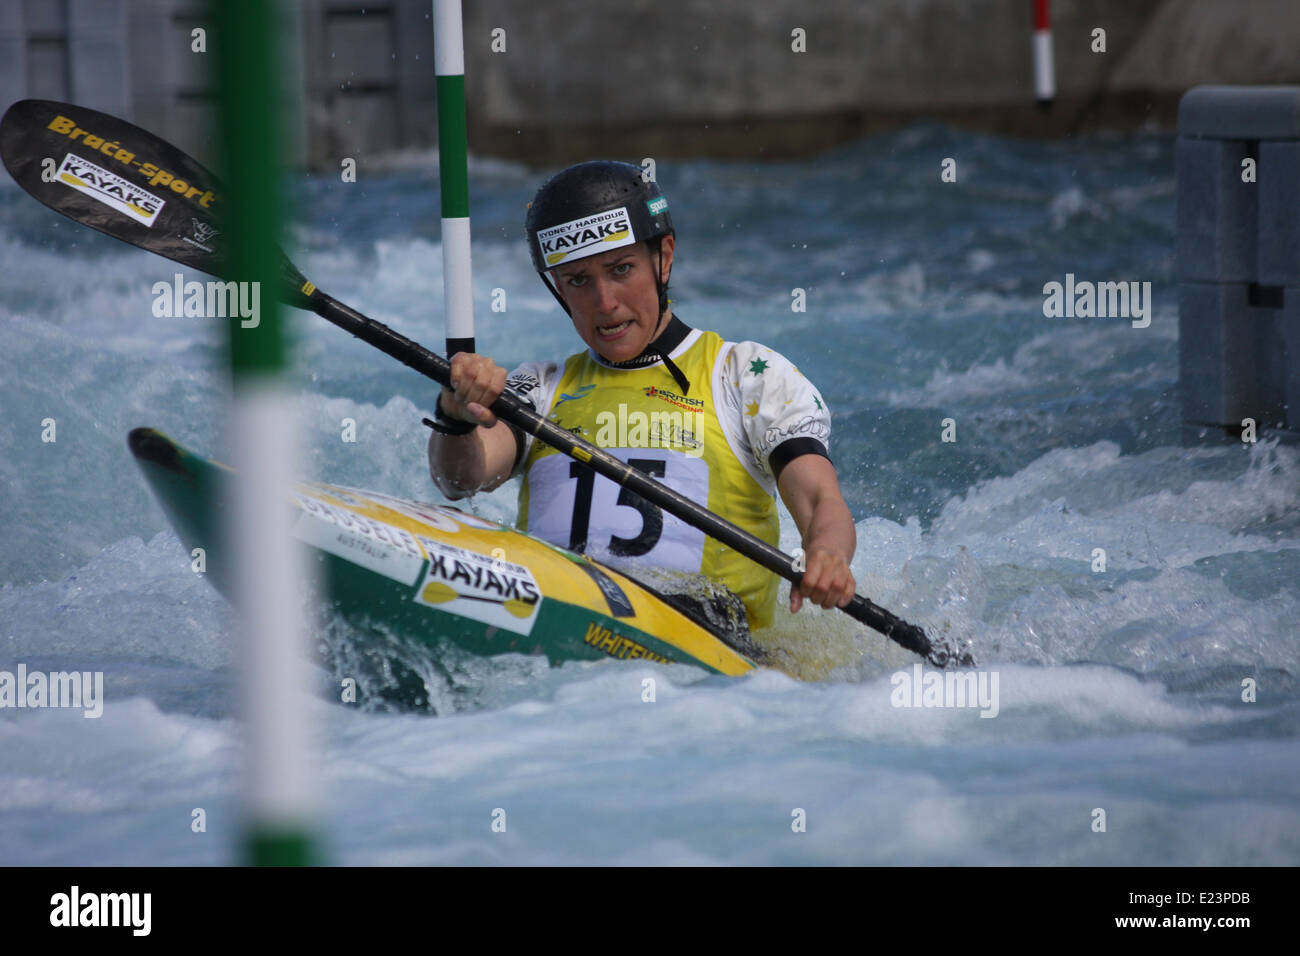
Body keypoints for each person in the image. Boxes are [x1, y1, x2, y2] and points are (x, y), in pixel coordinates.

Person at [427, 160, 855, 631]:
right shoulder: (540, 387)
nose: (605, 302)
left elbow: (818, 499)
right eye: (577, 281)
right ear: (558, 289)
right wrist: (455, 413)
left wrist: (827, 555)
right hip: (562, 629)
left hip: (712, 647)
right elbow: (461, 480)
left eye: (621, 269)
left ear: (664, 257)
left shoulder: (747, 376)